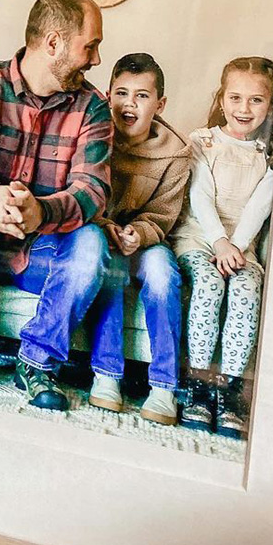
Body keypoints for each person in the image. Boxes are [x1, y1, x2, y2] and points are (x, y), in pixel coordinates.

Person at [0, 0, 112, 412]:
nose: (96, 60)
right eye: (91, 46)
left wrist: (40, 213)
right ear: (54, 43)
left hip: (43, 253)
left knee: (92, 242)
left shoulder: (93, 107)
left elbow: (94, 190)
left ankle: (37, 362)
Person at [170, 56, 273, 439]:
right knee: (208, 283)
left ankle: (229, 389)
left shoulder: (269, 152)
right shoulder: (203, 141)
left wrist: (235, 246)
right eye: (235, 97)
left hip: (241, 245)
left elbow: (259, 206)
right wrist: (219, 242)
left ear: (271, 104)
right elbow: (200, 195)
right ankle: (199, 385)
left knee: (248, 287)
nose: (244, 108)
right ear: (221, 98)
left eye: (256, 100)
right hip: (200, 238)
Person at [84, 53, 191, 424]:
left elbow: (164, 213)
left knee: (163, 271)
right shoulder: (93, 135)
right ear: (107, 95)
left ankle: (163, 386)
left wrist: (140, 234)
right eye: (121, 93)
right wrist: (105, 227)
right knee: (109, 267)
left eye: (142, 96)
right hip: (103, 236)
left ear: (159, 104)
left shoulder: (175, 154)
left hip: (145, 241)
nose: (129, 104)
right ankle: (107, 375)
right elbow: (80, 192)